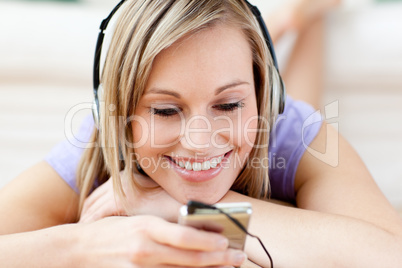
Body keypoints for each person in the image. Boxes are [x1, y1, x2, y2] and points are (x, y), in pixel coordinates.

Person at [0, 0, 401, 267]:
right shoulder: (99, 144)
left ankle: (304, 16)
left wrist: (187, 207)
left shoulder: (292, 129)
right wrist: (80, 245)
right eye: (165, 110)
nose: (199, 140)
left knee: (289, 115)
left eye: (228, 105)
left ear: (264, 98)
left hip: (272, 126)